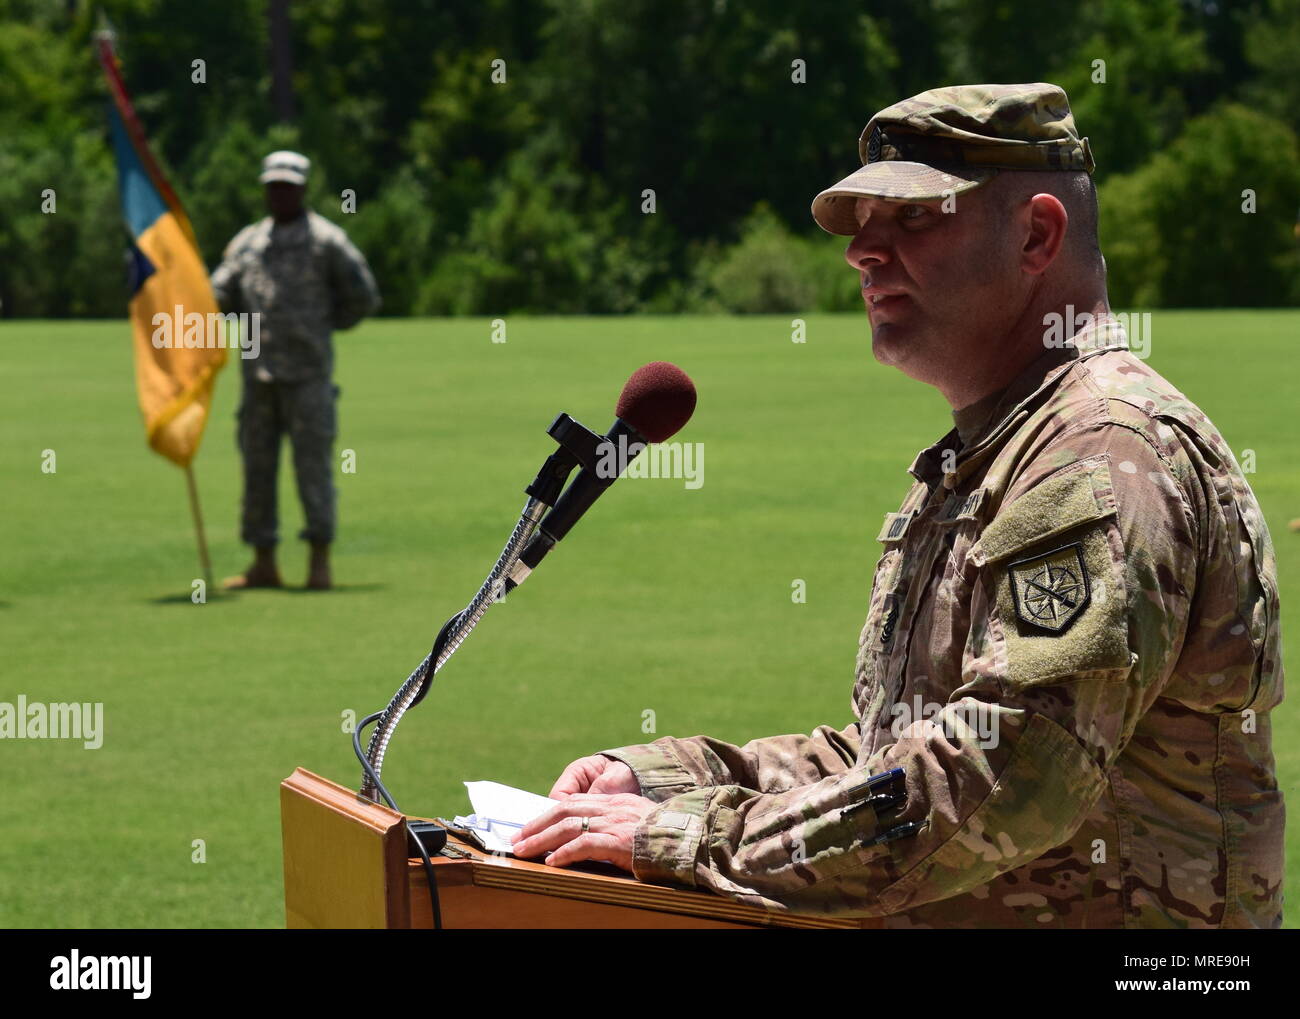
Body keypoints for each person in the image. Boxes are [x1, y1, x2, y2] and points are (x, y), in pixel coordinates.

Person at [511, 83, 1285, 928]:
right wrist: (672, 776)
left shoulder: (1100, 452)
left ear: (1036, 235)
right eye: (861, 225)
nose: (861, 254)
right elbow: (892, 756)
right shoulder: (995, 455)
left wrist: (688, 835)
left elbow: (999, 776)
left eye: (914, 219)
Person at [210, 151, 379, 590]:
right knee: (257, 471)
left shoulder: (327, 241)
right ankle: (262, 561)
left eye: (287, 185)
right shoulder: (246, 242)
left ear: (303, 188)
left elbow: (362, 296)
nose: (279, 192)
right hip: (259, 378)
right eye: (273, 185)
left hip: (308, 378)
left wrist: (321, 327)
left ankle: (318, 562)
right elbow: (217, 295)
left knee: (314, 471)